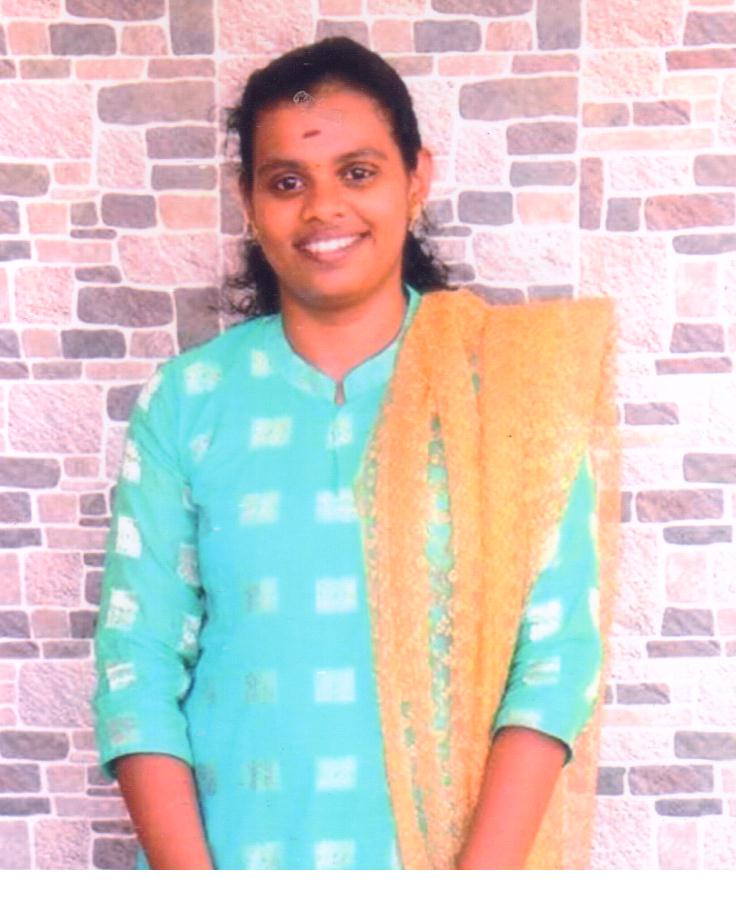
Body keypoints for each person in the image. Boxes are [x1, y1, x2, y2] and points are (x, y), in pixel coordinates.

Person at [92, 36, 619, 870]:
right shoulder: (189, 400)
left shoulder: (510, 390)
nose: (323, 207)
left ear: (417, 178)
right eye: (287, 182)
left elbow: (555, 660)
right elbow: (137, 664)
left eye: (359, 172)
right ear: (248, 199)